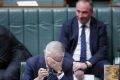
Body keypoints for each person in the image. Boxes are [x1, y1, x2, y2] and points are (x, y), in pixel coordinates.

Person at [59, 0, 110, 80]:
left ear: (91, 12)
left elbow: (103, 50)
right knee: (56, 67)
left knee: (111, 71)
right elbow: (63, 49)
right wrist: (75, 65)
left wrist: (86, 64)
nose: (80, 15)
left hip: (93, 63)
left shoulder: (100, 26)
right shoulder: (67, 25)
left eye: (84, 12)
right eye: (78, 11)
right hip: (71, 63)